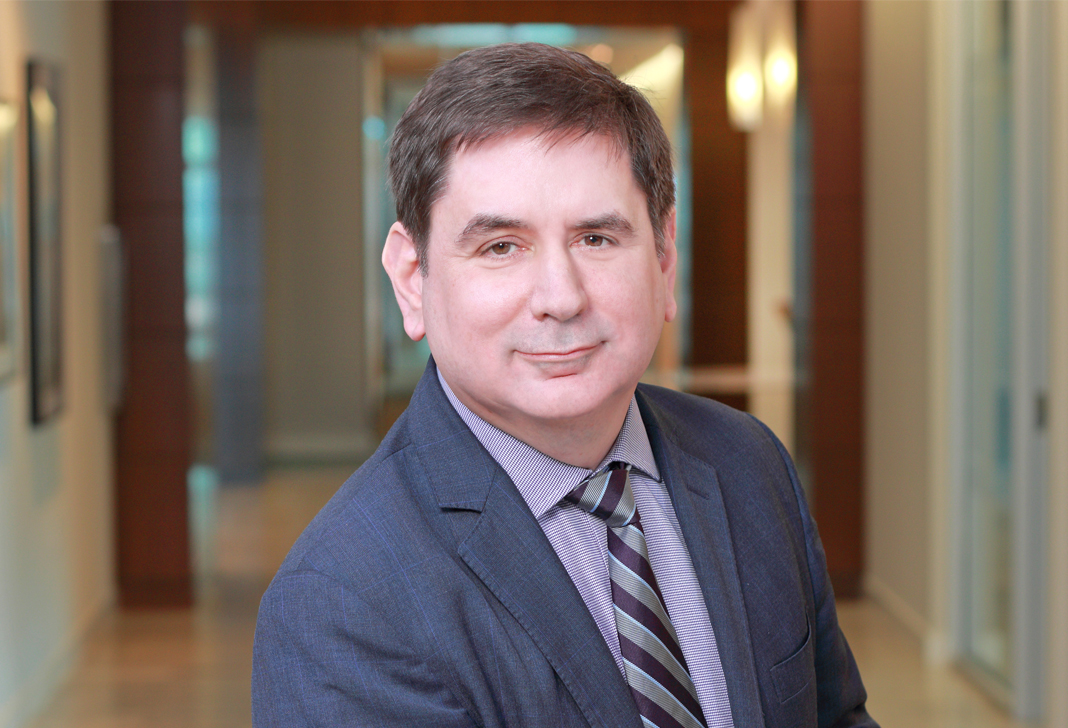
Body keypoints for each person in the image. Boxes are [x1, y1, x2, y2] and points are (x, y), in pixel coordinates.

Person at [251, 42, 877, 728]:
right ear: (411, 278)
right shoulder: (341, 603)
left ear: (664, 258)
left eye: (596, 239)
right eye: (501, 246)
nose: (561, 297)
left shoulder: (748, 463)